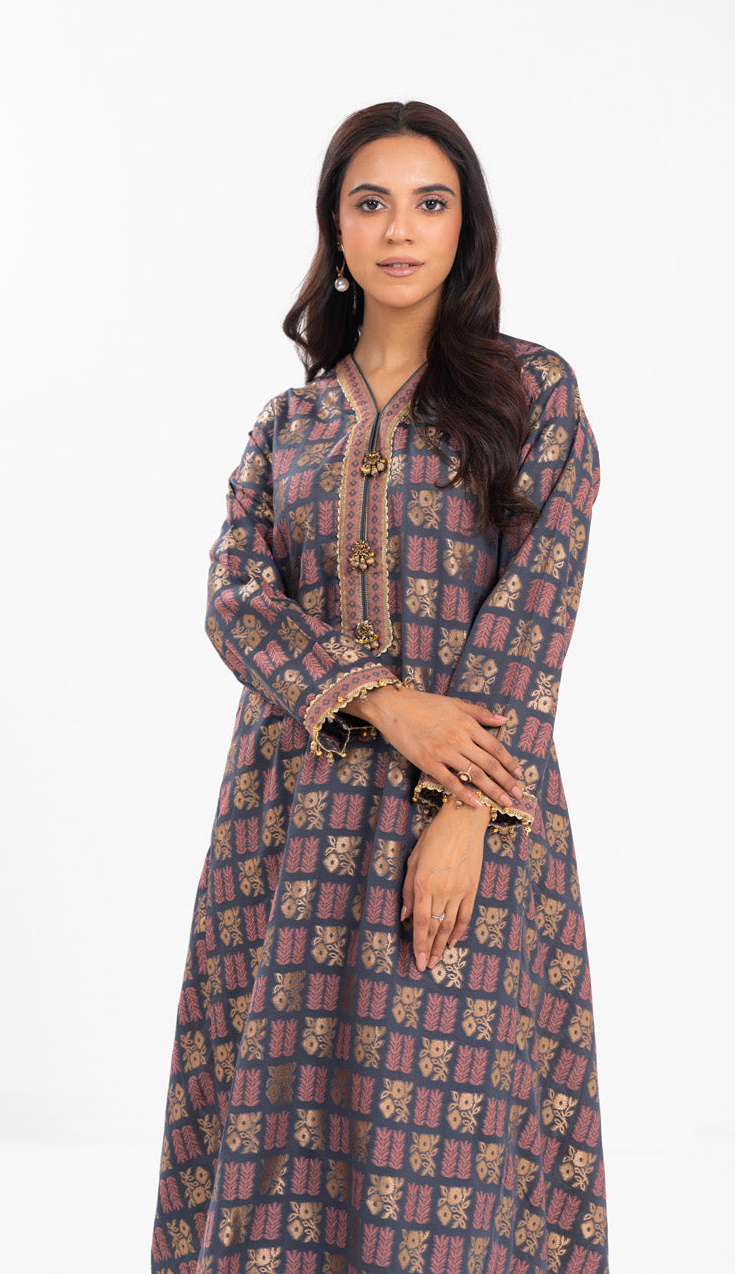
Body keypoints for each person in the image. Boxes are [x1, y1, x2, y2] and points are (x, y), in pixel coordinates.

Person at [151, 100, 610, 1274]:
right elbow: (235, 599)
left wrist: (463, 814)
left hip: (466, 813)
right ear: (338, 231)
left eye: (429, 202)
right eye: (372, 203)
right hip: (287, 820)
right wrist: (384, 699)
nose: (400, 228)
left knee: (448, 1147)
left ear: (465, 228)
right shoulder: (289, 425)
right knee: (284, 1120)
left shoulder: (532, 394)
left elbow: (537, 605)